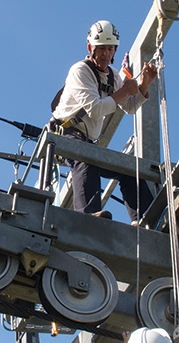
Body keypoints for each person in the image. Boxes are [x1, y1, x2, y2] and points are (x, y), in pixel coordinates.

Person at [51, 20, 158, 222]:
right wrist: (126, 90)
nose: (106, 54)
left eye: (110, 49)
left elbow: (129, 107)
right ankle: (88, 216)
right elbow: (96, 109)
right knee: (86, 158)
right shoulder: (80, 71)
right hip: (66, 135)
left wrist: (144, 85)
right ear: (91, 48)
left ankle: (147, 220)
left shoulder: (112, 76)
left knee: (128, 170)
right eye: (102, 49)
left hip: (86, 140)